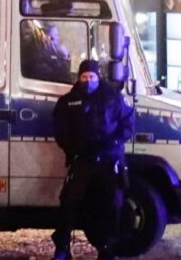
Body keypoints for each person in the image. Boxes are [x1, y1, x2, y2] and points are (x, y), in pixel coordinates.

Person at [51, 59, 135, 260]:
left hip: (109, 159)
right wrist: (73, 150)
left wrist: (114, 143)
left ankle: (107, 249)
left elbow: (128, 123)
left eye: (92, 76)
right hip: (83, 159)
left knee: (112, 204)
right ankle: (62, 247)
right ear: (79, 78)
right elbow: (60, 130)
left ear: (99, 77)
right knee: (69, 201)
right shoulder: (68, 101)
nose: (88, 81)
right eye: (84, 77)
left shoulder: (113, 97)